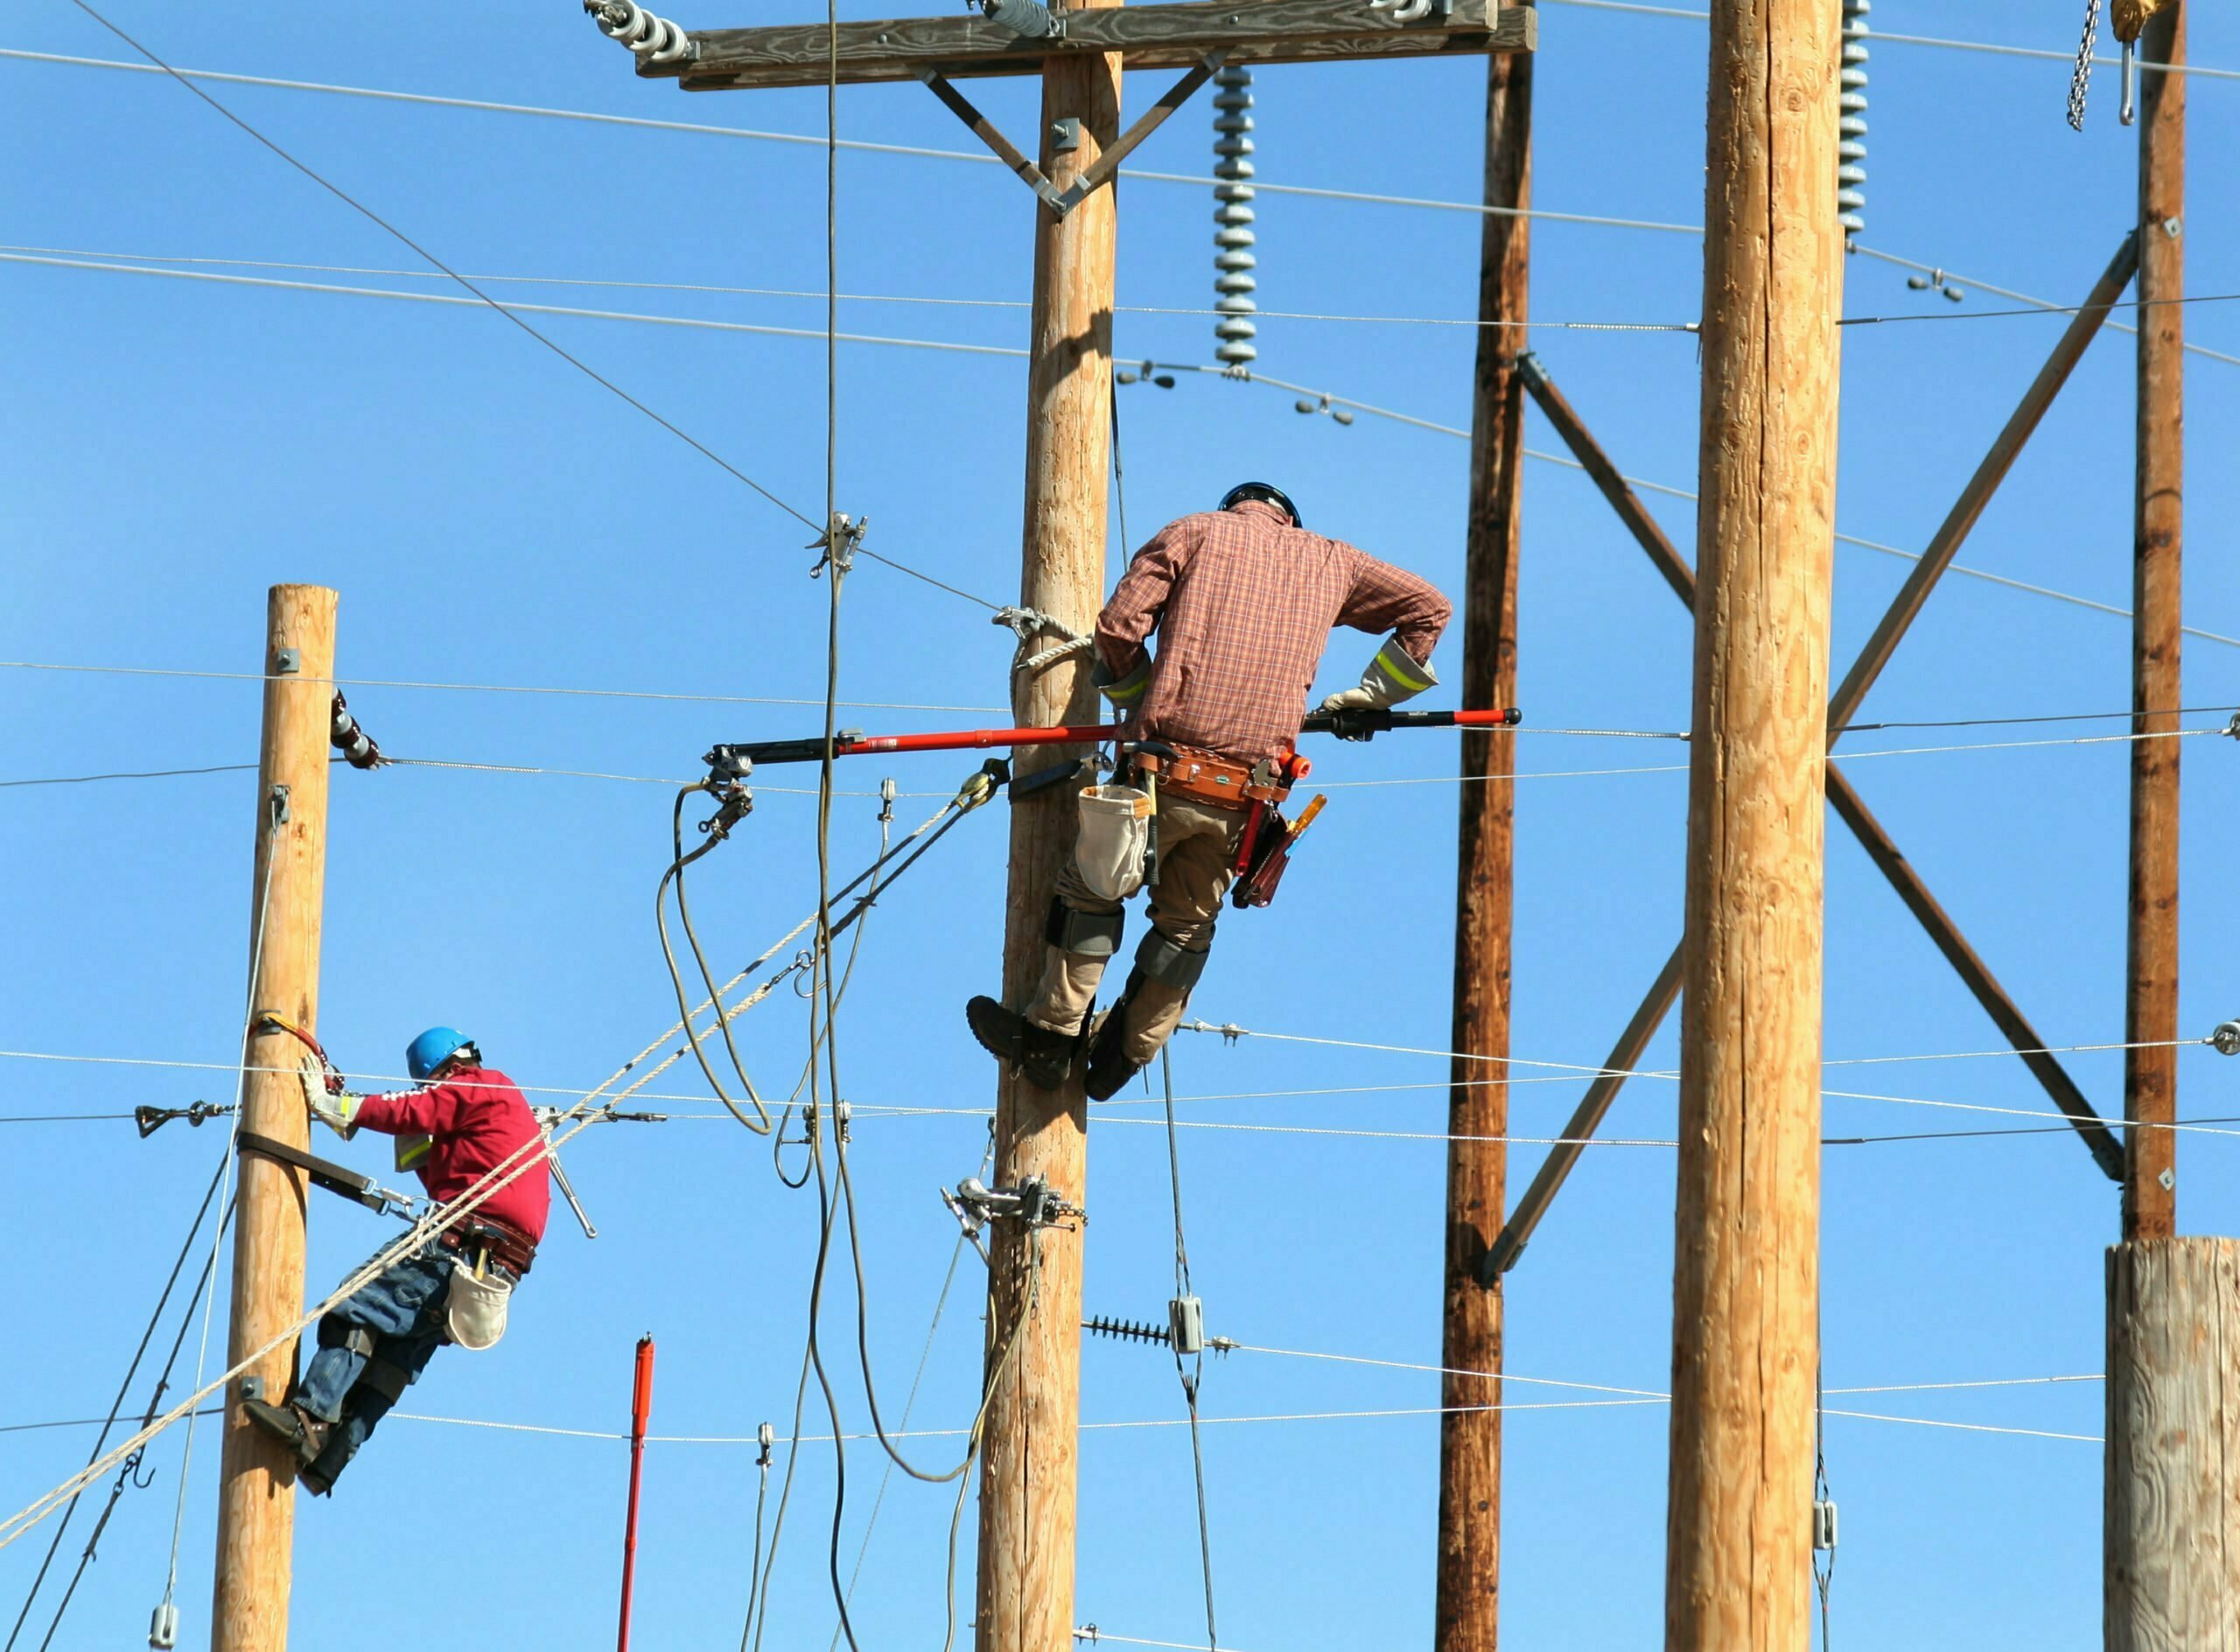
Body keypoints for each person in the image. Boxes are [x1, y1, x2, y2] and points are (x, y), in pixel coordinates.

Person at [967, 481, 1452, 1100]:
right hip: (1245, 798)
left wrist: (1138, 702)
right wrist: (1372, 696)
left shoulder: (1195, 532)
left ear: (1235, 508)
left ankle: (1051, 1038)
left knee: (1091, 891)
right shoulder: (1335, 561)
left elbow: (1117, 633)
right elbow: (1430, 608)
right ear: (1289, 522)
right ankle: (1121, 1058)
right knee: (1185, 930)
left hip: (1161, 775)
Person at [240, 1026, 551, 1494]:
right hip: (490, 1268)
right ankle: (328, 1458)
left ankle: (308, 1419)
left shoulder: (483, 1084)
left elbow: (415, 1110)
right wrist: (354, 1110)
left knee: (356, 1309)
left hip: (457, 1245)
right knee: (394, 1358)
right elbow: (424, 1154)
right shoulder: (494, 1125)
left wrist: (340, 1106)